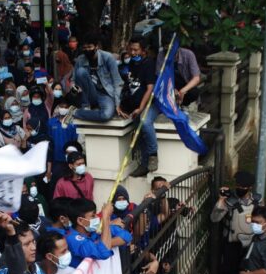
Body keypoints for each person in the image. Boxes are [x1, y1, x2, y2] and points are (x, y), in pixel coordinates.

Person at [212, 171, 263, 274]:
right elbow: (215, 218)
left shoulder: (257, 200)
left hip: (249, 245)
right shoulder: (230, 200)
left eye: (244, 186)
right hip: (231, 245)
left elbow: (262, 218)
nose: (241, 188)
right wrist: (221, 200)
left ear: (250, 187)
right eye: (239, 185)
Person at [118, 37, 157, 177]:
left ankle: (153, 155)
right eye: (131, 50)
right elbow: (129, 85)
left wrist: (141, 108)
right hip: (133, 104)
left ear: (143, 51)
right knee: (138, 134)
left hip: (150, 103)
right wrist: (120, 105)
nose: (133, 53)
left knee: (145, 122)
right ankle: (143, 164)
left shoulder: (149, 64)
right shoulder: (132, 64)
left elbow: (150, 88)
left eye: (136, 50)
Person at [72, 33, 123, 122]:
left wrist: (117, 103)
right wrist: (75, 87)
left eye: (89, 47)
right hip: (89, 94)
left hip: (105, 94)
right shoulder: (80, 59)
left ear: (96, 47)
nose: (87, 50)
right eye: (84, 48)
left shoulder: (107, 57)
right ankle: (86, 106)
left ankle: (76, 113)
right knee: (80, 71)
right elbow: (73, 79)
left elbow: (117, 81)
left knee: (106, 115)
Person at [66, 198, 130, 267]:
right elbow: (104, 253)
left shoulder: (93, 230)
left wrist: (104, 242)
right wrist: (105, 216)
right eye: (93, 216)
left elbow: (126, 236)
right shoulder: (72, 239)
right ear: (80, 221)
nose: (97, 218)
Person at [155, 39, 201, 113]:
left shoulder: (188, 54)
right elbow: (160, 77)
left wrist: (182, 91)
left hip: (187, 88)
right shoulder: (161, 55)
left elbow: (196, 78)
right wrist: (172, 89)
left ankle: (185, 106)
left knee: (194, 92)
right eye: (166, 49)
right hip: (170, 89)